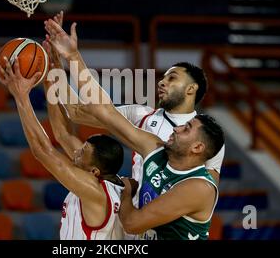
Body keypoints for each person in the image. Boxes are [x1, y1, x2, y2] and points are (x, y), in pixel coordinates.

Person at [44, 19, 224, 240]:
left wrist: (133, 194)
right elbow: (86, 111)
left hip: (144, 218)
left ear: (191, 88)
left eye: (172, 78)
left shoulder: (205, 149)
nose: (161, 82)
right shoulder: (146, 123)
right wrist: (64, 65)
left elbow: (202, 199)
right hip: (134, 221)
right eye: (163, 77)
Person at [0, 18, 126, 240]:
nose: (75, 151)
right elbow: (63, 134)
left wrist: (21, 97)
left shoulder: (95, 192)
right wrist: (51, 72)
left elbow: (42, 151)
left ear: (95, 172)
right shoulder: (99, 176)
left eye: (82, 152)